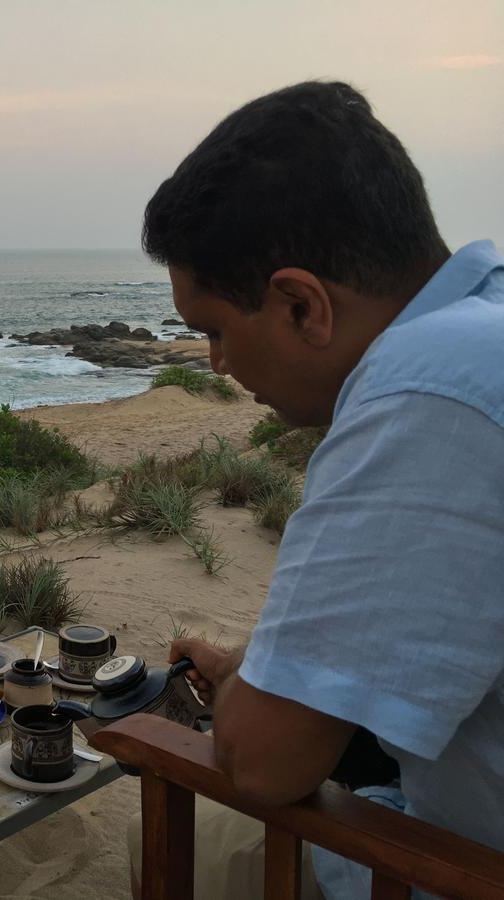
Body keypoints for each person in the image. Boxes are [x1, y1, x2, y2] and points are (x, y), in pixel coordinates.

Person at [127, 80, 504, 899]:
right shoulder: (485, 331)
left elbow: (263, 762)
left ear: (302, 304)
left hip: (455, 863)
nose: (219, 366)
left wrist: (250, 699)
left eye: (217, 332)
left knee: (203, 832)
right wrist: (265, 672)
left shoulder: (422, 396)